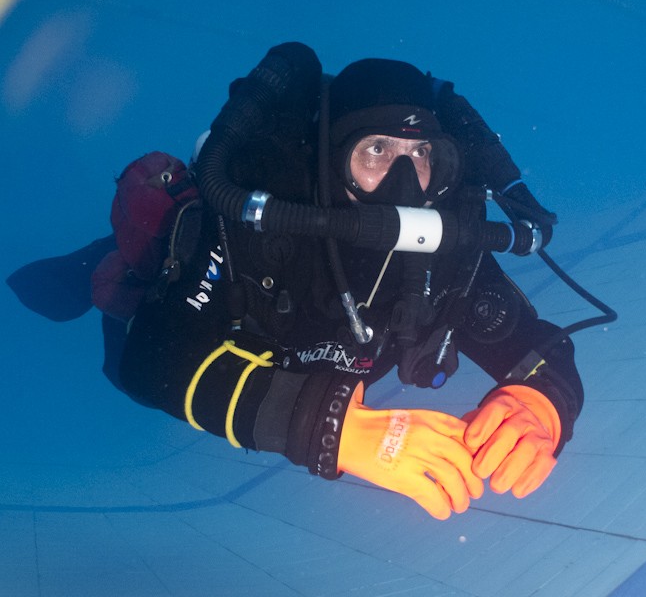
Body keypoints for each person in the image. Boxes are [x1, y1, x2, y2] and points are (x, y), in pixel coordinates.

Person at [112, 43, 583, 520]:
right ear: (332, 159)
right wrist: (327, 427)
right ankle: (101, 264)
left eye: (420, 154)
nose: (404, 182)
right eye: (376, 150)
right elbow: (151, 359)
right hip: (221, 314)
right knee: (122, 295)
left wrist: (537, 406)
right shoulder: (260, 228)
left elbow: (536, 347)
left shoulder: (444, 254)